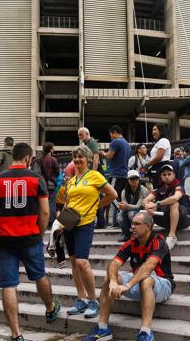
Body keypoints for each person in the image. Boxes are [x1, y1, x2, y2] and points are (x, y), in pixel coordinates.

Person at [0, 142, 61, 341]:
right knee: (39, 276)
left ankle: (16, 334)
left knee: (8, 284)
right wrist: (40, 232)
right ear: (28, 158)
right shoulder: (36, 179)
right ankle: (50, 308)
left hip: (5, 240)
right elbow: (45, 211)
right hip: (30, 238)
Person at [82, 211, 174, 341]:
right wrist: (113, 281)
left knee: (146, 280)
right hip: (138, 284)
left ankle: (146, 332)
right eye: (132, 224)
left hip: (163, 285)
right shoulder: (131, 243)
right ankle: (103, 329)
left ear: (148, 226)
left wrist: (128, 285)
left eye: (137, 224)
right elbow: (113, 264)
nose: (132, 227)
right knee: (108, 278)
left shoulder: (158, 241)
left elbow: (149, 267)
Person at [64, 145, 117, 318]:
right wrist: (59, 223)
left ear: (87, 159)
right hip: (69, 224)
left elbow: (113, 194)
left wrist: (96, 207)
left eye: (80, 157)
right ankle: (81, 299)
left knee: (82, 262)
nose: (78, 160)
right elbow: (67, 203)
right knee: (73, 263)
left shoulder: (95, 175)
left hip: (85, 223)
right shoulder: (71, 180)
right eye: (75, 157)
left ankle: (93, 300)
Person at [142, 164, 190, 249]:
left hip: (183, 219)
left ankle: (172, 236)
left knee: (174, 203)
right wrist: (148, 206)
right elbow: (145, 201)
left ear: (174, 175)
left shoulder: (179, 186)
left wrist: (156, 204)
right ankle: (147, 236)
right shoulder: (158, 189)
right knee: (149, 205)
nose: (167, 177)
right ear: (161, 176)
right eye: (164, 175)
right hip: (165, 219)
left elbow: (175, 198)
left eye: (169, 174)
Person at [102, 125, 131, 227]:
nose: (110, 137)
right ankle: (117, 222)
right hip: (125, 174)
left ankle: (122, 213)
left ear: (114, 132)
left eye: (111, 135)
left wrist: (102, 153)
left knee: (111, 195)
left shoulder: (116, 141)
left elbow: (109, 156)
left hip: (116, 174)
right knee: (120, 197)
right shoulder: (127, 143)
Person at [118, 170, 151, 242]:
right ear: (128, 180)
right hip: (130, 210)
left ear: (139, 179)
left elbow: (138, 206)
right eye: (132, 179)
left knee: (131, 214)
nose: (134, 180)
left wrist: (126, 206)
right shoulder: (124, 191)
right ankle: (126, 235)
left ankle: (138, 234)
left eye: (136, 178)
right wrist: (122, 207)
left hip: (144, 211)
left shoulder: (143, 190)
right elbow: (124, 207)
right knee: (120, 215)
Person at [38, 142, 61, 226]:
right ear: (51, 149)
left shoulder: (38, 159)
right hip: (50, 185)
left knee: (41, 203)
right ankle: (50, 222)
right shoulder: (53, 160)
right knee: (51, 203)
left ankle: (41, 220)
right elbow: (58, 173)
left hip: (39, 185)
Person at [146, 124, 172, 188]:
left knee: (160, 188)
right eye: (152, 130)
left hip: (161, 166)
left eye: (155, 129)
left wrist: (148, 164)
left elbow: (159, 157)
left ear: (161, 131)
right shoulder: (159, 142)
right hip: (157, 167)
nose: (153, 132)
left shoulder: (163, 140)